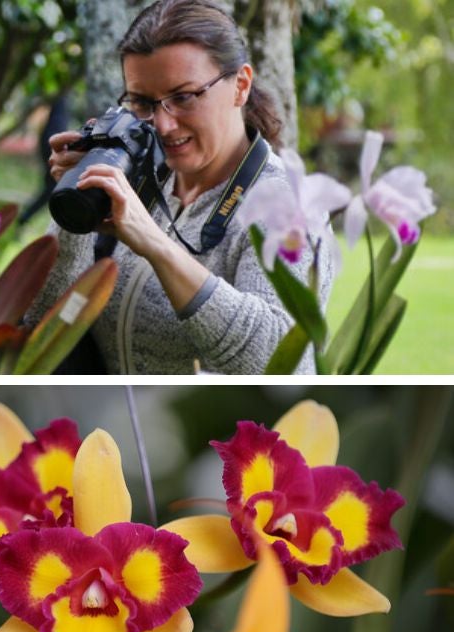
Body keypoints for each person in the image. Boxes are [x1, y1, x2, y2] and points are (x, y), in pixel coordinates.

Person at [35, 0, 331, 374]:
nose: (163, 125)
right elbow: (43, 325)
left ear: (240, 85)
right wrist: (77, 207)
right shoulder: (135, 176)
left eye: (183, 97)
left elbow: (278, 358)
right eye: (143, 102)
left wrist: (155, 245)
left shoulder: (287, 204)